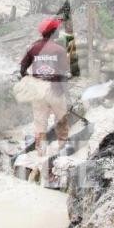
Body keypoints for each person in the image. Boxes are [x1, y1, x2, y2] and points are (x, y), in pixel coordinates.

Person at [20, 18, 71, 160]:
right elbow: (63, 74)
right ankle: (62, 148)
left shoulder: (32, 48)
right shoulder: (59, 50)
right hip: (55, 89)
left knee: (40, 121)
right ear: (54, 33)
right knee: (61, 119)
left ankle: (40, 153)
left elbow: (22, 69)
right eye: (57, 31)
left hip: (38, 90)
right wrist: (66, 92)